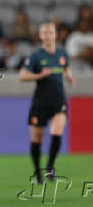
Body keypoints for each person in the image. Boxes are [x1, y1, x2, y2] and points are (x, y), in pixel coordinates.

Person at [19, 22, 75, 184]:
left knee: (57, 133)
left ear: (55, 35)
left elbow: (66, 67)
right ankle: (37, 171)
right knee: (37, 140)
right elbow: (22, 76)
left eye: (51, 32)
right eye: (45, 32)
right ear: (41, 36)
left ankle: (50, 167)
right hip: (41, 102)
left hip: (59, 101)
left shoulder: (62, 53)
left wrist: (69, 76)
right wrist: (39, 75)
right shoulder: (36, 56)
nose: (48, 35)